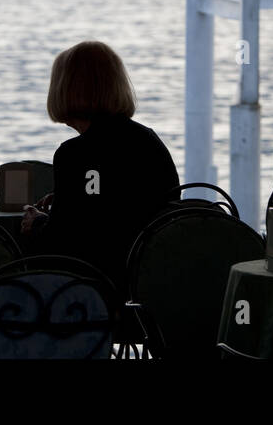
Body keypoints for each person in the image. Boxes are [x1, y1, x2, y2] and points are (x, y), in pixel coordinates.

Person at [21, 41, 179, 293]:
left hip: (93, 291)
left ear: (64, 89)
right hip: (151, 287)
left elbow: (60, 244)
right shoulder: (149, 140)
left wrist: (36, 222)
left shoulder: (74, 153)